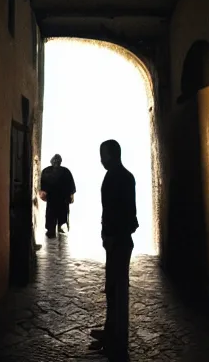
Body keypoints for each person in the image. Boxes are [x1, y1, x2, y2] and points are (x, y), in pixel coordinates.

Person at [89, 140, 138, 362]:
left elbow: (125, 214)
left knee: (117, 290)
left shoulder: (120, 178)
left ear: (112, 155)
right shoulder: (121, 176)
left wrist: (112, 234)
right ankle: (111, 331)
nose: (101, 159)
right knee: (113, 288)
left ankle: (118, 340)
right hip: (116, 238)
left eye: (103, 155)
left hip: (118, 240)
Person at [40, 154, 76, 238]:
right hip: (57, 197)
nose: (56, 162)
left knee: (56, 213)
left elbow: (70, 184)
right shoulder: (64, 171)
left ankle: (54, 229)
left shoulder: (47, 171)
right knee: (55, 213)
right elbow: (43, 184)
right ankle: (52, 229)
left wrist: (71, 195)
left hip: (58, 198)